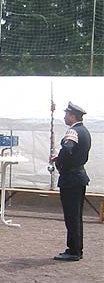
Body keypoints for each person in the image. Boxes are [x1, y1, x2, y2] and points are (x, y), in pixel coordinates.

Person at [52, 102, 91, 261]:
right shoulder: (84, 131)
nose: (65, 117)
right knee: (76, 215)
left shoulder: (73, 131)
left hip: (71, 178)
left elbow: (67, 149)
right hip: (79, 177)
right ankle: (76, 248)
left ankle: (74, 250)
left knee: (72, 216)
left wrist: (59, 161)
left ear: (73, 116)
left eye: (67, 114)